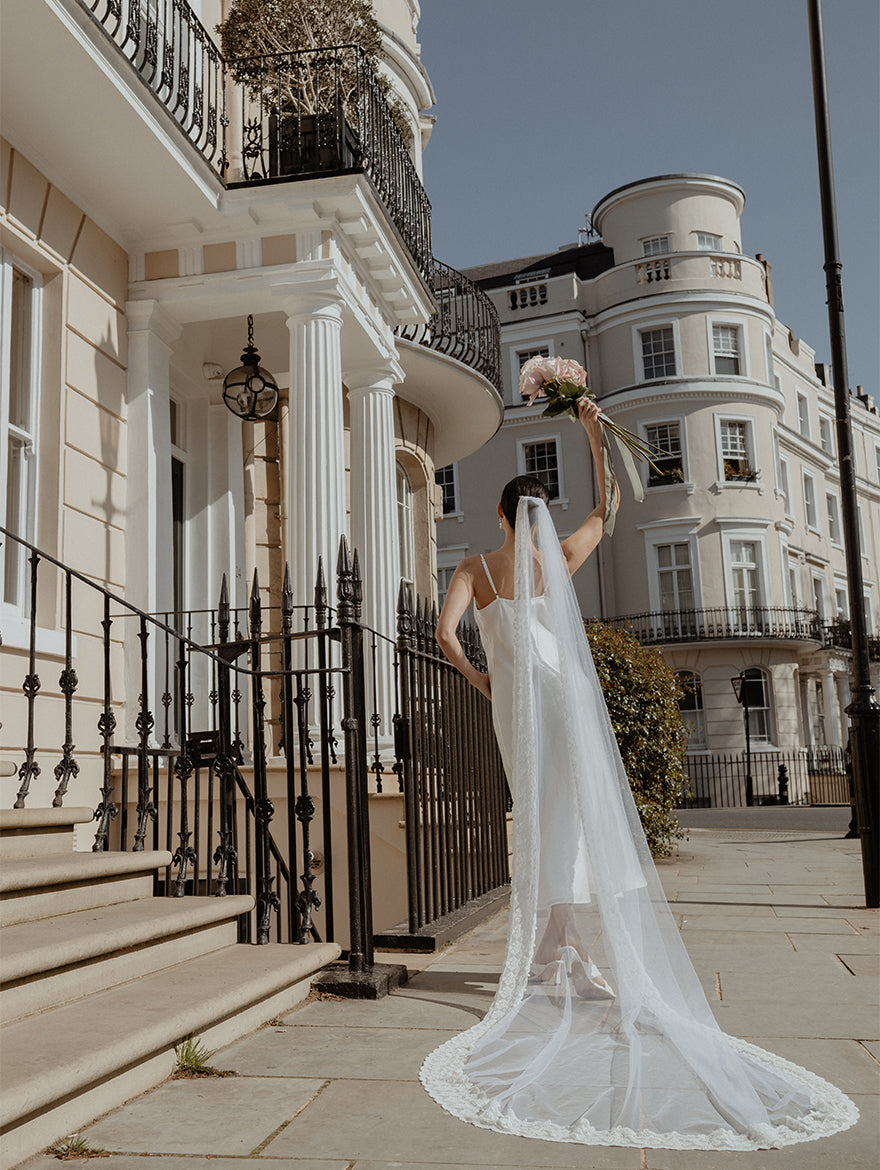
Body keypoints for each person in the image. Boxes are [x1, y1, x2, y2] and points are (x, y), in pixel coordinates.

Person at [420, 400, 857, 1150]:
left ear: (498, 511)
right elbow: (609, 508)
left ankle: (560, 946)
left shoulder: (474, 566)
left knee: (540, 809)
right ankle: (565, 947)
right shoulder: (557, 557)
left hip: (519, 704)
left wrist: (480, 678)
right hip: (565, 696)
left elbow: (442, 632)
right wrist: (593, 438)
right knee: (573, 813)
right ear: (539, 511)